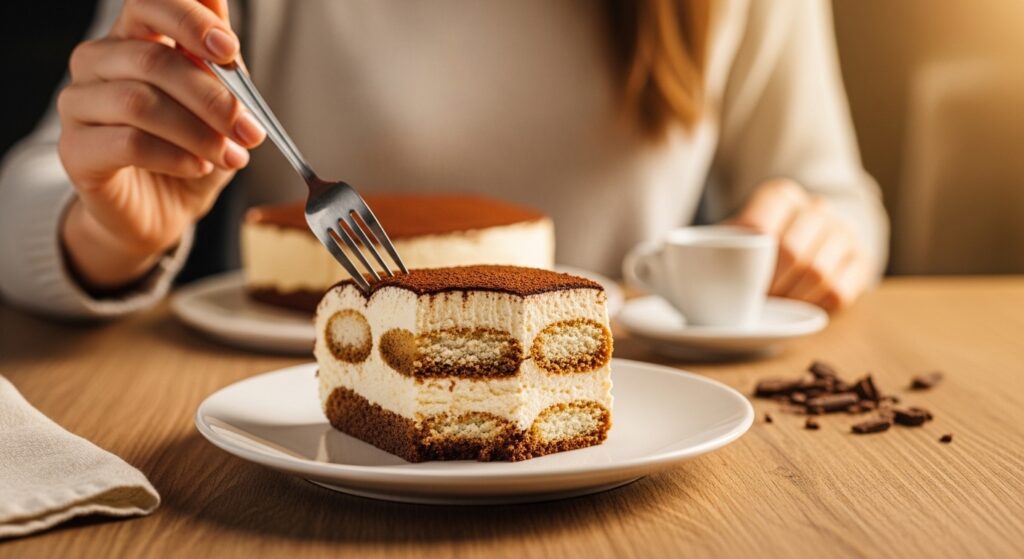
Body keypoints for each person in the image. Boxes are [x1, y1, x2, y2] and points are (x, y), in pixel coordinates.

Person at [0, 0, 887, 319]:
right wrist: (108, 232)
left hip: (623, 408)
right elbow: (32, 194)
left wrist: (818, 232)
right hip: (294, 411)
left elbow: (833, 193)